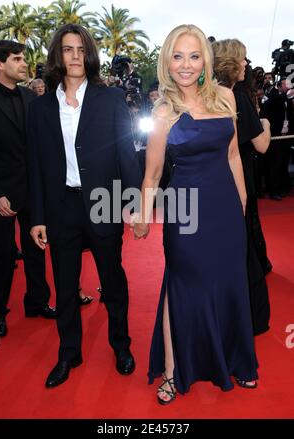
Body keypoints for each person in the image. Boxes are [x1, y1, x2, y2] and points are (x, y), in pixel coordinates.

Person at [132, 24, 258, 404]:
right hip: (186, 214)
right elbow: (152, 174)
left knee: (230, 284)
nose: (185, 65)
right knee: (181, 288)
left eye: (193, 55)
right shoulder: (163, 110)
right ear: (167, 63)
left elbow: (234, 156)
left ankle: (237, 361)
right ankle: (173, 370)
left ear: (205, 59)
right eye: (177, 56)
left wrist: (242, 206)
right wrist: (141, 212)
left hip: (225, 208)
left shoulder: (225, 98)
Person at [28, 24, 142, 388]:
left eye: (80, 49)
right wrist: (38, 217)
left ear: (88, 54)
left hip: (103, 203)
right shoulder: (41, 107)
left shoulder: (110, 99)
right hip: (62, 207)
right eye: (67, 49)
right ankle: (68, 353)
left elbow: (126, 154)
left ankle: (120, 345)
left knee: (112, 280)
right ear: (57, 56)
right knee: (64, 287)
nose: (74, 56)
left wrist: (134, 202)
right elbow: (36, 165)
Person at [0, 41, 56, 338]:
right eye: (16, 59)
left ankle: (37, 302)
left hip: (33, 189)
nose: (24, 63)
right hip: (1, 194)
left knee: (36, 249)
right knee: (1, 255)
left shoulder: (32, 98)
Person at [212, 39, 272, 336]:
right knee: (245, 252)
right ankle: (255, 320)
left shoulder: (211, 96)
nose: (247, 65)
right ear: (231, 62)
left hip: (217, 183)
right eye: (243, 59)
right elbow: (261, 145)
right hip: (240, 182)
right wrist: (266, 123)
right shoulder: (238, 98)